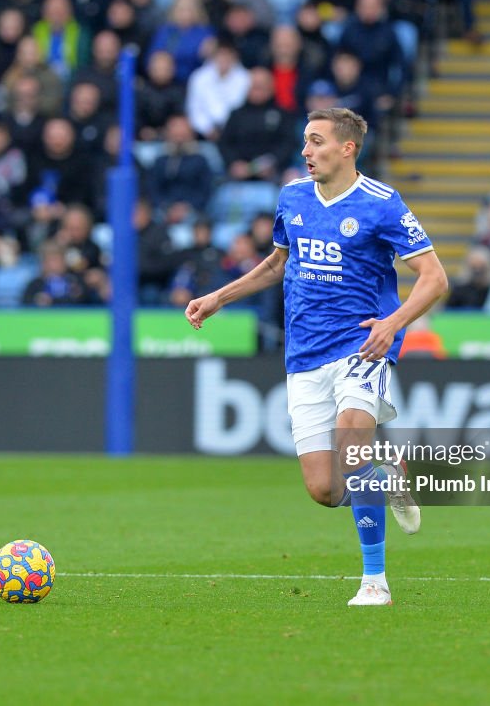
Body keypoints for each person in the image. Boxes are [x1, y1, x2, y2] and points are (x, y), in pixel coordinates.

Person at [185, 108, 449, 606]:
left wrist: (394, 324)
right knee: (325, 490)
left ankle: (375, 581)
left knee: (351, 445)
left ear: (347, 148)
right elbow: (279, 263)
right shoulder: (292, 197)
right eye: (305, 142)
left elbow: (434, 277)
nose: (306, 151)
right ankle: (386, 471)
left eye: (316, 141)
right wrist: (219, 297)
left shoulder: (382, 203)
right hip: (304, 352)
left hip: (362, 342)